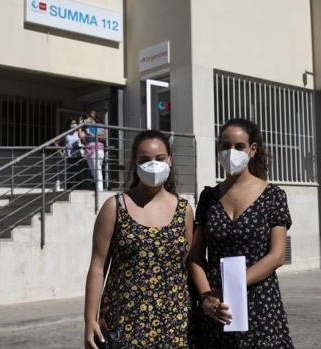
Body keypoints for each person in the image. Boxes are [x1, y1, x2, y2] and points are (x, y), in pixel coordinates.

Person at [188, 118, 294, 348]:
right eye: (225, 146)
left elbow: (276, 255)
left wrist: (231, 287)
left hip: (259, 302)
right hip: (216, 306)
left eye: (239, 146)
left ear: (252, 150)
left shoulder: (273, 196)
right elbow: (195, 256)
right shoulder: (208, 198)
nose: (231, 152)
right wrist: (206, 296)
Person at [84, 130, 194, 349]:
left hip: (174, 323)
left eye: (159, 158)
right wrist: (89, 319)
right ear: (134, 163)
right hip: (123, 324)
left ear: (169, 160)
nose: (153, 165)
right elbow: (98, 267)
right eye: (144, 160)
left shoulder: (184, 210)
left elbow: (190, 265)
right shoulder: (114, 207)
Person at [79, 110, 105, 191]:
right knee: (93, 170)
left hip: (97, 149)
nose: (86, 119)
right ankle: (98, 187)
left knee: (97, 169)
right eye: (86, 118)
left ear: (92, 117)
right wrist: (80, 125)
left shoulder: (99, 126)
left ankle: (100, 189)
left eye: (88, 117)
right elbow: (81, 136)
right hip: (89, 151)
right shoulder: (86, 128)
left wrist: (93, 135)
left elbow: (104, 137)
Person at [57, 118, 84, 189]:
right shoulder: (66, 133)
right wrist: (60, 152)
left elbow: (84, 140)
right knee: (69, 175)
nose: (74, 124)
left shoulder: (78, 132)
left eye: (75, 123)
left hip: (78, 156)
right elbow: (56, 142)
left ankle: (79, 190)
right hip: (69, 157)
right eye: (72, 123)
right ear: (69, 125)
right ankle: (68, 190)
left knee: (78, 175)